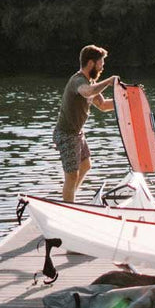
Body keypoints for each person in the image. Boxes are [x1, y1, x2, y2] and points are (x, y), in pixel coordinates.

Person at [54, 44, 117, 202]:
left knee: (86, 165)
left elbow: (102, 106)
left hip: (77, 134)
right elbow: (86, 92)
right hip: (66, 135)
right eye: (101, 63)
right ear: (91, 63)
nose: (102, 67)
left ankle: (69, 198)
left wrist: (124, 102)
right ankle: (68, 207)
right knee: (71, 175)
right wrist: (108, 82)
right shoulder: (78, 80)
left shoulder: (89, 83)